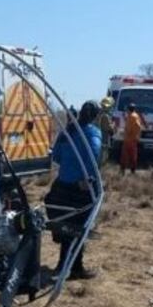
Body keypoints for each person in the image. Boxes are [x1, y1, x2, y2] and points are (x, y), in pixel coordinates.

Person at [45, 101, 102, 280]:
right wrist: (85, 177)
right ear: (95, 116)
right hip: (81, 188)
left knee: (67, 226)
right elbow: (94, 156)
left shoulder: (66, 132)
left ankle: (69, 265)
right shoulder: (92, 133)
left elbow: (57, 157)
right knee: (78, 228)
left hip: (62, 185)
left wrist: (70, 167)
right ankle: (71, 267)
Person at [119, 103, 143, 175]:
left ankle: (124, 171)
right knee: (132, 156)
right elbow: (139, 127)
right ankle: (131, 171)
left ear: (128, 109)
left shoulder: (132, 116)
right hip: (132, 139)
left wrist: (128, 133)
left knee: (126, 155)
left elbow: (135, 127)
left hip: (129, 139)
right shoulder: (135, 116)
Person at [98, 97, 115, 164]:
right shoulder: (105, 116)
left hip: (99, 135)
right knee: (103, 152)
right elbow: (108, 127)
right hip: (103, 136)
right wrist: (113, 124)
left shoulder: (99, 114)